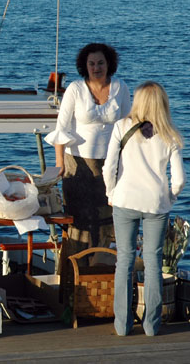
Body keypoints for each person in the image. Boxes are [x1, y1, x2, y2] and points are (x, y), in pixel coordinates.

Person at [102, 81, 185, 336]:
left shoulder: (122, 126)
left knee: (124, 261)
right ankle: (151, 326)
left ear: (138, 101)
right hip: (155, 204)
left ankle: (122, 325)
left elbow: (109, 168)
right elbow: (180, 179)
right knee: (153, 262)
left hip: (125, 200)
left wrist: (111, 193)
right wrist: (169, 198)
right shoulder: (169, 134)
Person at [44, 43, 131, 259]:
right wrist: (59, 164)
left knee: (109, 219)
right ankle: (75, 272)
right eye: (91, 63)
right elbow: (61, 129)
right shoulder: (75, 89)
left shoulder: (120, 88)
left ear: (109, 64)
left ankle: (104, 270)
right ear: (85, 66)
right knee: (79, 223)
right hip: (78, 164)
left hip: (112, 164)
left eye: (100, 62)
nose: (96, 67)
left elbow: (130, 127)